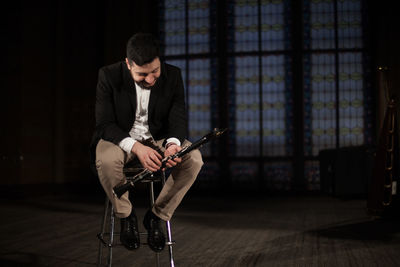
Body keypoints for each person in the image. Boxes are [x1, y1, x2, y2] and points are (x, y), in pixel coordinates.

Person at [90, 33, 203, 252]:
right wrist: (136, 147)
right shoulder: (108, 75)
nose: (151, 79)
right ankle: (126, 215)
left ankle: (157, 216)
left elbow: (178, 118)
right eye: (142, 74)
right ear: (128, 64)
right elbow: (104, 124)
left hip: (158, 138)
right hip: (119, 139)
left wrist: (172, 144)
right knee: (105, 160)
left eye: (155, 71)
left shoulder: (173, 75)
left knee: (194, 159)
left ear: (159, 61)